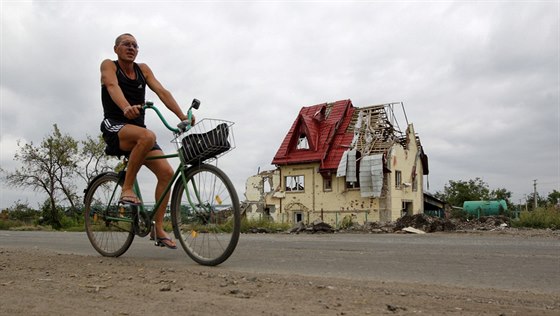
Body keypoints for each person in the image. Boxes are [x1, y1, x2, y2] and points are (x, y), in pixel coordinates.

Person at [100, 33, 190, 249]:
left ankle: (157, 228)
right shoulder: (109, 65)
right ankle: (127, 188)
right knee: (148, 135)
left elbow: (161, 91)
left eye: (134, 45)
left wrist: (183, 117)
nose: (131, 48)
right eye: (126, 44)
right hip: (115, 126)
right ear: (116, 49)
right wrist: (125, 108)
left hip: (139, 133)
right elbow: (112, 86)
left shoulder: (143, 69)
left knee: (167, 174)